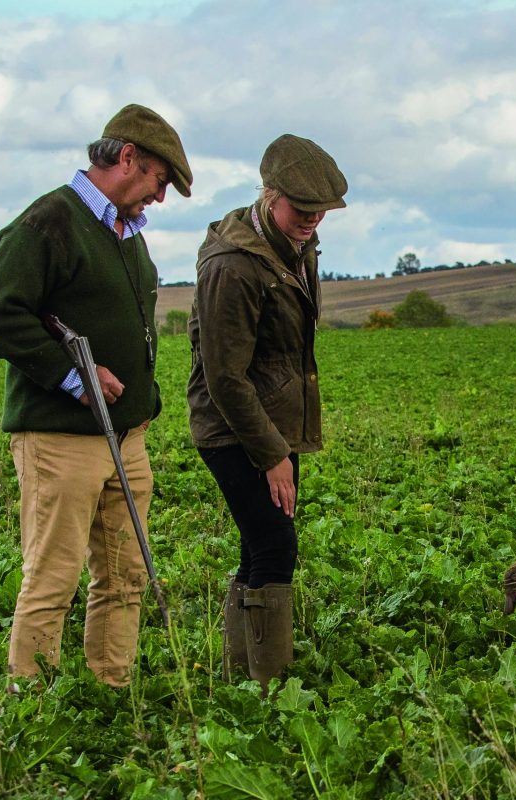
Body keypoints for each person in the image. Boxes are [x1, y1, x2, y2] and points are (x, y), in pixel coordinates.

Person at [0, 104, 192, 687]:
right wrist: (76, 376)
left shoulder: (126, 234)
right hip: (61, 439)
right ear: (127, 158)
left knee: (125, 578)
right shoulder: (48, 222)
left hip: (128, 437)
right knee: (52, 580)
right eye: (159, 181)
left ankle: (109, 691)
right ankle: (32, 710)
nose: (160, 198)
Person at [186, 134, 347, 694]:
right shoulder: (233, 264)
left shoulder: (294, 247)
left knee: (259, 544)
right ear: (269, 195)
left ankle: (241, 679)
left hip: (273, 421)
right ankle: (272, 687)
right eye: (301, 210)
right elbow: (223, 376)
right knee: (277, 546)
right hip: (234, 428)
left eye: (321, 212)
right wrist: (273, 453)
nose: (312, 220)